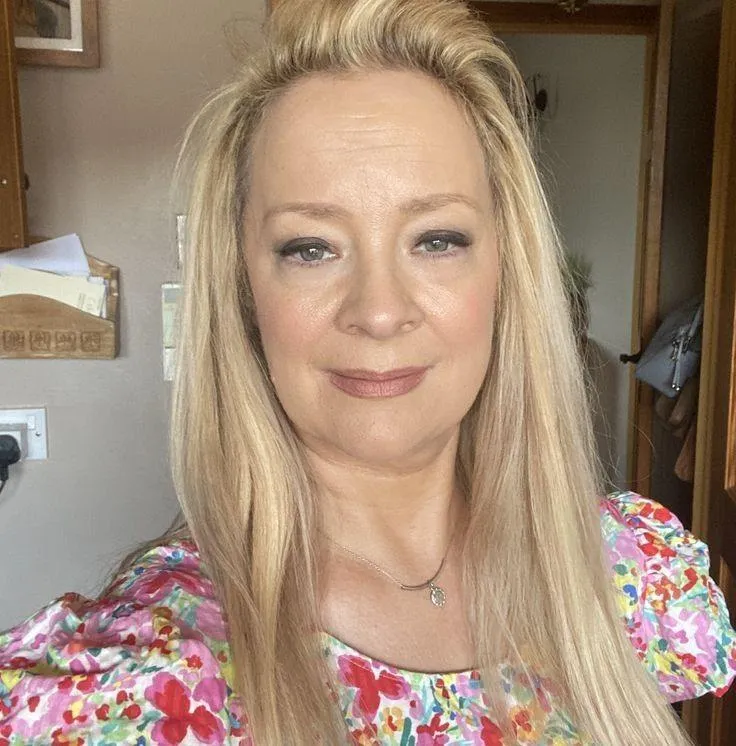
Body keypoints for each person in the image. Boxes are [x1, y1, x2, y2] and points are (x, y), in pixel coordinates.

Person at [1, 0, 735, 743]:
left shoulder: (630, 580)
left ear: (506, 273)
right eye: (310, 248)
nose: (380, 312)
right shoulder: (154, 681)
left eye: (437, 239)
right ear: (243, 292)